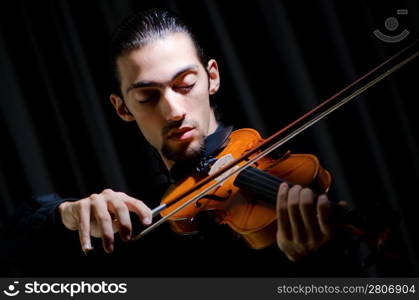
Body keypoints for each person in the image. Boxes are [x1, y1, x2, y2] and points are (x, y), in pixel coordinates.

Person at [12, 8, 367, 276]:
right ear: (122, 108)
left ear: (211, 77)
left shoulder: (284, 186)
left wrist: (312, 267)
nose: (173, 110)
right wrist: (66, 215)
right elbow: (16, 236)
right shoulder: (142, 218)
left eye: (184, 84)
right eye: (147, 97)